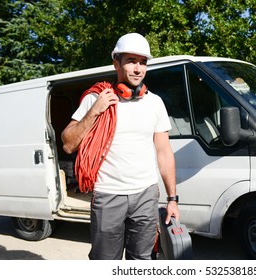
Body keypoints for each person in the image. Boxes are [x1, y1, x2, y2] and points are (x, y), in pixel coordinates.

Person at [61, 33, 179, 260]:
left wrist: (173, 199)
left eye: (143, 62)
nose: (138, 69)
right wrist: (95, 111)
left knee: (142, 260)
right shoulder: (96, 99)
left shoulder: (155, 102)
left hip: (146, 195)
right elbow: (68, 144)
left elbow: (164, 152)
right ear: (116, 63)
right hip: (108, 195)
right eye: (131, 61)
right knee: (106, 262)